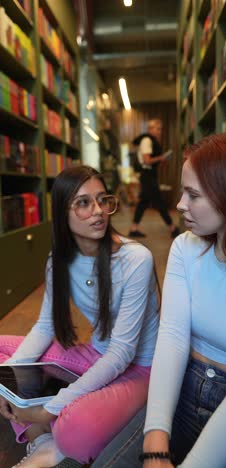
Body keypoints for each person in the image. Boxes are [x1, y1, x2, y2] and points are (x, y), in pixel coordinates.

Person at [93, 131, 226, 467]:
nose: (179, 205)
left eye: (193, 195)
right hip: (184, 391)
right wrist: (156, 440)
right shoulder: (185, 247)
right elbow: (172, 338)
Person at [0, 165, 160, 467]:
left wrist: (53, 408)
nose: (98, 211)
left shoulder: (135, 259)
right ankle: (44, 437)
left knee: (76, 431)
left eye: (102, 200)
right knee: (3, 361)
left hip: (141, 370)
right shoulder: (58, 261)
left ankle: (46, 424)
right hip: (95, 356)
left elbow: (123, 352)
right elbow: (45, 326)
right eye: (84, 203)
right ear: (62, 212)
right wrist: (4, 383)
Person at [128, 119, 179, 239]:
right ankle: (172, 227)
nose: (159, 131)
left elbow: (151, 161)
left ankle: (133, 229)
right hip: (147, 175)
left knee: (143, 202)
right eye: (157, 128)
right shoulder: (147, 140)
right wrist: (160, 158)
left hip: (149, 175)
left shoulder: (151, 141)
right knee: (159, 201)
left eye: (161, 129)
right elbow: (147, 161)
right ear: (150, 129)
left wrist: (160, 161)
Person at [99, 117, 121, 193]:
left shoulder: (111, 135)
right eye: (106, 123)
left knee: (113, 183)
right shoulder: (104, 135)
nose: (107, 125)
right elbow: (107, 148)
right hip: (108, 164)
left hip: (111, 163)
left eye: (108, 123)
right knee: (109, 183)